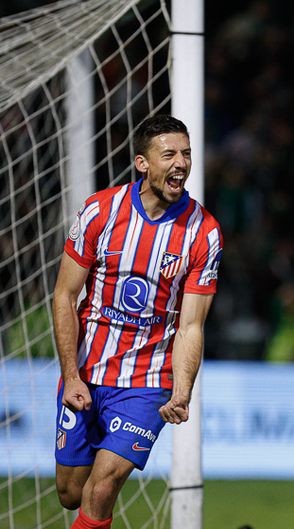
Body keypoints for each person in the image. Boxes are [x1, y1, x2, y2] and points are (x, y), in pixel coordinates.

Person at [52, 115, 223, 529]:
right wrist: (71, 376)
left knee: (102, 486)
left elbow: (191, 325)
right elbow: (64, 296)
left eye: (186, 154)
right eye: (169, 154)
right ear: (142, 163)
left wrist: (181, 391)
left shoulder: (204, 233)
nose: (181, 163)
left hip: (148, 382)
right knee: (71, 493)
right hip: (88, 371)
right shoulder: (100, 212)